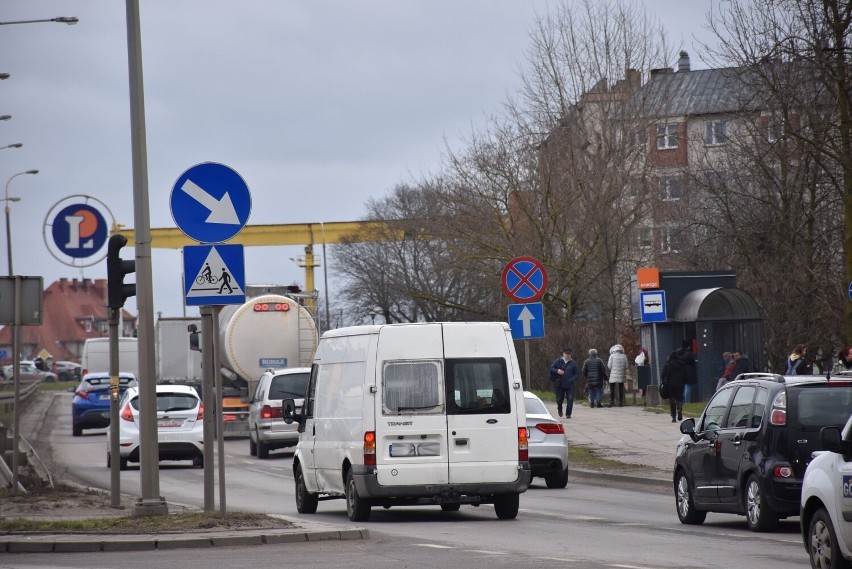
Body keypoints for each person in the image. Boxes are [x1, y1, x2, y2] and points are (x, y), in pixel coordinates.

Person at [661, 345, 693, 422]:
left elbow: (663, 375)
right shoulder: (682, 365)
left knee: (672, 399)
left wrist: (664, 381)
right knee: (679, 398)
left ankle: (674, 416)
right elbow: (686, 374)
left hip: (670, 385)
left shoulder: (668, 365)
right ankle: (679, 409)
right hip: (680, 384)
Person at [548, 348, 579, 418]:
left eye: (569, 354)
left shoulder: (573, 363)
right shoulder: (558, 361)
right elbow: (551, 369)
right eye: (566, 354)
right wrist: (557, 370)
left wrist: (572, 379)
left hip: (569, 384)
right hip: (560, 383)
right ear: (563, 354)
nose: (568, 355)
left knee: (570, 399)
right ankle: (559, 409)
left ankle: (568, 414)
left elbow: (577, 374)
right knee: (559, 399)